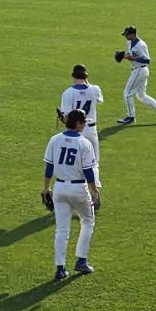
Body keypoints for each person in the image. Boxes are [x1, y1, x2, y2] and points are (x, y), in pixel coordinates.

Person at [44, 108, 102, 282]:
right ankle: (81, 261)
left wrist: (46, 188)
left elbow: (48, 168)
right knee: (88, 221)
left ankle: (60, 268)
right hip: (78, 189)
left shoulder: (55, 139)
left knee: (61, 230)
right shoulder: (84, 143)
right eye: (84, 122)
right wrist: (94, 190)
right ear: (77, 124)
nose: (85, 124)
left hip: (59, 188)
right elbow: (88, 171)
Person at [60, 62, 106, 181]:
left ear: (74, 77)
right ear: (86, 77)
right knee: (94, 162)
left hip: (76, 131)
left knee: (77, 161)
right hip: (91, 130)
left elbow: (67, 115)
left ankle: (81, 187)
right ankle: (96, 190)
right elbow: (100, 100)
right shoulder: (95, 89)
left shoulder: (68, 93)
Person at [116, 26, 156, 126]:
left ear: (132, 34)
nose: (125, 36)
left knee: (127, 94)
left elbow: (147, 60)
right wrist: (124, 56)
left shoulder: (141, 45)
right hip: (138, 70)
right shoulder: (129, 43)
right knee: (141, 96)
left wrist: (133, 59)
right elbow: (131, 55)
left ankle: (130, 117)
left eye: (126, 34)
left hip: (140, 70)